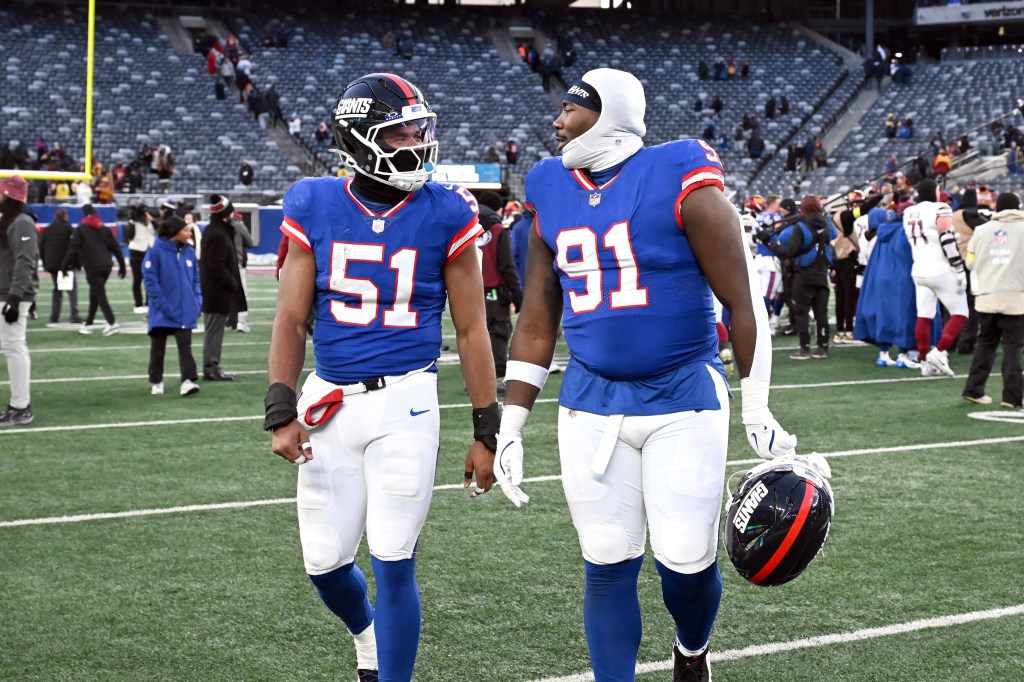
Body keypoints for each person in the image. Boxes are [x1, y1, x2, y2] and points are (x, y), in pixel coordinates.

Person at [491, 69, 800, 682]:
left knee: (686, 563)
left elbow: (743, 303)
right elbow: (537, 314)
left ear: (609, 115)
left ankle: (691, 650)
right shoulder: (549, 184)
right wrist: (512, 422)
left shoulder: (679, 171)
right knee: (605, 561)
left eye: (570, 110)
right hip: (590, 399)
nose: (556, 122)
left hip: (682, 395)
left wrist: (757, 407)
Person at [264, 73, 498, 682]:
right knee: (323, 563)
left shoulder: (449, 209)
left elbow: (472, 329)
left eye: (420, 127)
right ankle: (367, 637)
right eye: (400, 130)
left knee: (394, 558)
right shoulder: (313, 201)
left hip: (406, 401)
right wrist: (280, 407)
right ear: (360, 138)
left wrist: (486, 428)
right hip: (331, 400)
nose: (415, 140)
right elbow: (289, 318)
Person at [962, 192, 1024, 407]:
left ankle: (974, 389)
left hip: (987, 296)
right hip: (1015, 298)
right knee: (1012, 347)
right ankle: (1012, 397)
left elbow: (969, 262)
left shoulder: (981, 230)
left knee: (985, 344)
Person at [902, 179, 968, 377]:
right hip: (939, 268)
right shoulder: (940, 208)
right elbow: (947, 240)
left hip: (918, 269)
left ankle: (924, 363)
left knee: (924, 315)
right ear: (934, 191)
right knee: (961, 312)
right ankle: (939, 352)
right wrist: (958, 268)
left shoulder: (908, 212)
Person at [765, 195, 837, 359]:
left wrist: (769, 243)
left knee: (801, 312)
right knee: (821, 313)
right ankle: (822, 348)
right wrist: (824, 216)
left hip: (803, 274)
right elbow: (833, 235)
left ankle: (805, 348)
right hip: (821, 272)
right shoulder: (826, 223)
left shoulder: (800, 226)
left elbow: (789, 251)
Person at [143, 216, 202, 397]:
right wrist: (165, 307)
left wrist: (197, 301)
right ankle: (157, 381)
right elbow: (151, 283)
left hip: (185, 310)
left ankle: (187, 380)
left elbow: (196, 280)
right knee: (158, 348)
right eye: (185, 230)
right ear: (175, 233)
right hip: (162, 311)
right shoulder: (155, 252)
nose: (189, 233)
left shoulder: (189, 251)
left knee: (185, 346)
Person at [0, 175, 39, 426]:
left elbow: (26, 260)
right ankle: (19, 404)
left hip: (12, 294)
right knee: (12, 347)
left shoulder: (22, 222)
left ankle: (21, 405)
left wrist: (14, 298)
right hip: (6, 291)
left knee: (14, 346)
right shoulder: (10, 221)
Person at [475, 190, 523, 393]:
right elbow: (506, 266)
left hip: (471, 291)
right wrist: (518, 295)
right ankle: (496, 378)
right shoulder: (497, 230)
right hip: (494, 291)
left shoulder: (466, 229)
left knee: (475, 335)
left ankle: (475, 380)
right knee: (498, 333)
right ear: (497, 208)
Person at [199, 195, 246, 381]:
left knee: (214, 330)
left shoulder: (216, 231)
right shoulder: (217, 233)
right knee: (214, 331)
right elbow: (215, 265)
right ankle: (211, 368)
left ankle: (212, 366)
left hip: (215, 291)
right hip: (216, 292)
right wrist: (231, 283)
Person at [62, 204, 125, 336]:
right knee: (95, 294)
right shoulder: (104, 228)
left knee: (100, 295)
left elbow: (72, 250)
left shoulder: (80, 229)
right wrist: (122, 266)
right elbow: (116, 248)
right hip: (107, 266)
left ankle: (112, 322)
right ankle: (88, 323)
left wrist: (65, 266)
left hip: (92, 266)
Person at [38, 207, 82, 324]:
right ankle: (74, 314)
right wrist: (78, 264)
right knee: (71, 290)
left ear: (54, 217)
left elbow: (41, 248)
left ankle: (54, 316)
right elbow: (74, 248)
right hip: (66, 264)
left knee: (57, 290)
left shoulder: (47, 230)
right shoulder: (70, 229)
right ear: (65, 216)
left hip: (52, 264)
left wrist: (46, 263)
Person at [126, 204, 156, 313]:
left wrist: (152, 219)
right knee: (137, 279)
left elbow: (160, 229)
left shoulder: (150, 223)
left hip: (149, 252)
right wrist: (133, 221)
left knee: (149, 279)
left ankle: (149, 303)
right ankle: (138, 304)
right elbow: (130, 236)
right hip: (136, 253)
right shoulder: (132, 222)